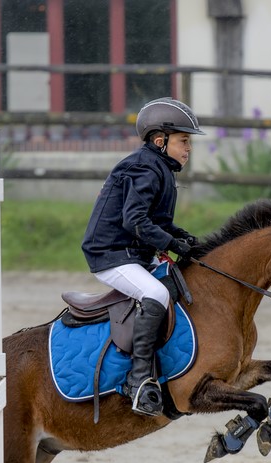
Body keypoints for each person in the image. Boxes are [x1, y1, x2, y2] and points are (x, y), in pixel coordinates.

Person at [81, 97, 205, 416]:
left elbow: (157, 222)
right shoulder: (143, 166)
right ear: (160, 141)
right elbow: (134, 220)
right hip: (111, 255)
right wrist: (173, 244)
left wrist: (182, 237)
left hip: (134, 254)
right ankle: (138, 382)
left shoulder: (160, 168)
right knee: (155, 292)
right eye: (183, 141)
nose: (188, 148)